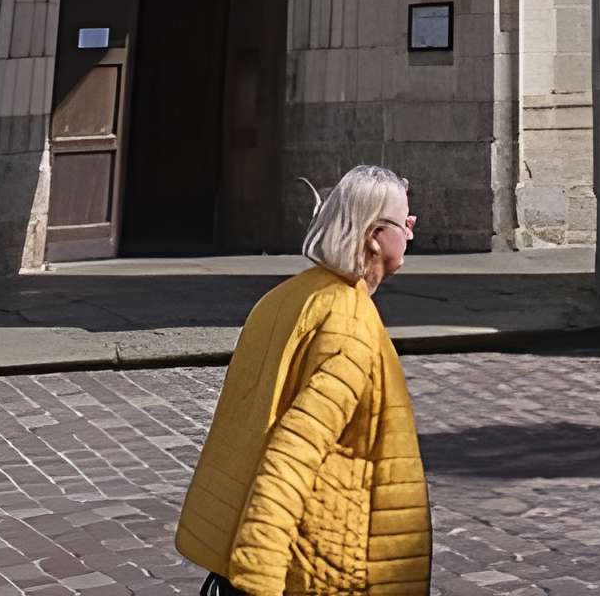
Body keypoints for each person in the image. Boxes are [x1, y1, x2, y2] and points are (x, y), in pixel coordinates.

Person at [176, 164, 431, 595]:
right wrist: (257, 576)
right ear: (373, 235)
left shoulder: (287, 296)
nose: (411, 230)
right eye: (405, 221)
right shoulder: (349, 323)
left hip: (251, 545)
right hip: (314, 565)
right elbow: (293, 453)